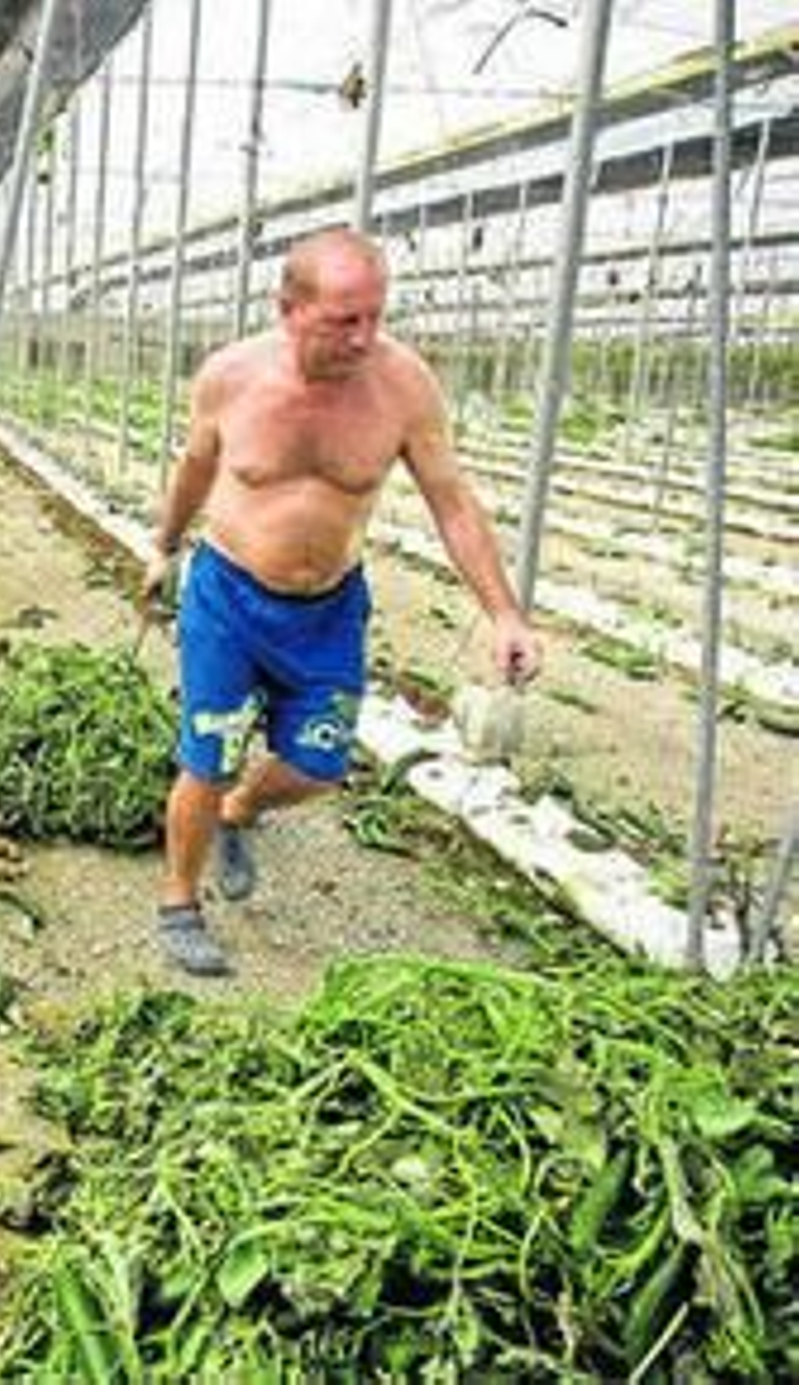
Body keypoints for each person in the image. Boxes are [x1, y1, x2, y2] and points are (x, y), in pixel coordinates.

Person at [142, 226, 541, 976]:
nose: (365, 337)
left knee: (318, 766)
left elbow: (451, 501)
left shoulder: (403, 386)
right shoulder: (230, 377)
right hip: (227, 598)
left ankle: (243, 809)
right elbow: (195, 469)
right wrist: (162, 545)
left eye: (375, 317)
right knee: (209, 756)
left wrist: (504, 612)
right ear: (289, 308)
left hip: (327, 609)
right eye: (343, 320)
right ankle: (179, 903)